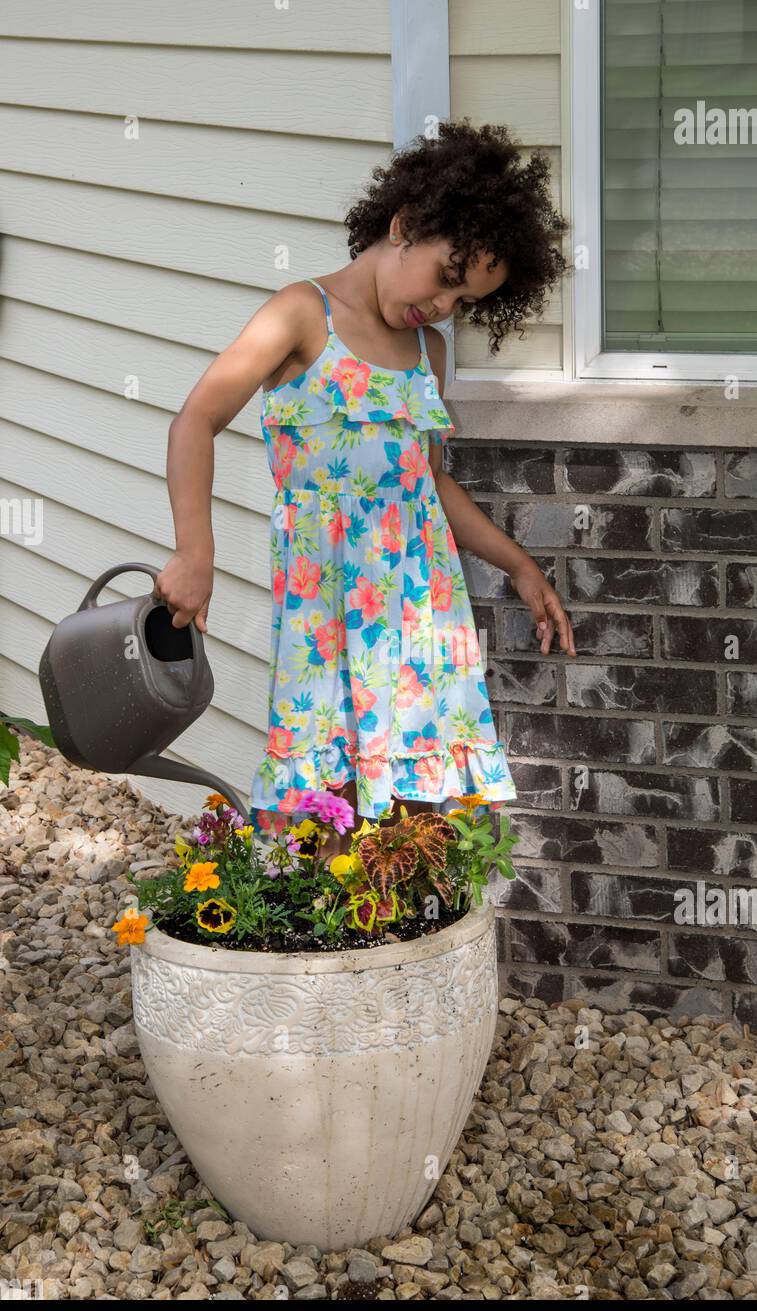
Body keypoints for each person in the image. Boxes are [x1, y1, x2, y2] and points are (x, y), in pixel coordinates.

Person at [154, 118, 577, 866]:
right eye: (447, 277)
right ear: (404, 226)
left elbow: (428, 481)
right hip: (324, 610)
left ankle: (395, 946)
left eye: (466, 300)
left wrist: (517, 565)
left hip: (419, 613)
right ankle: (303, 948)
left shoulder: (428, 354)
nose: (446, 306)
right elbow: (196, 420)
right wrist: (196, 551)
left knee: (411, 800)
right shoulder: (300, 315)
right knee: (317, 793)